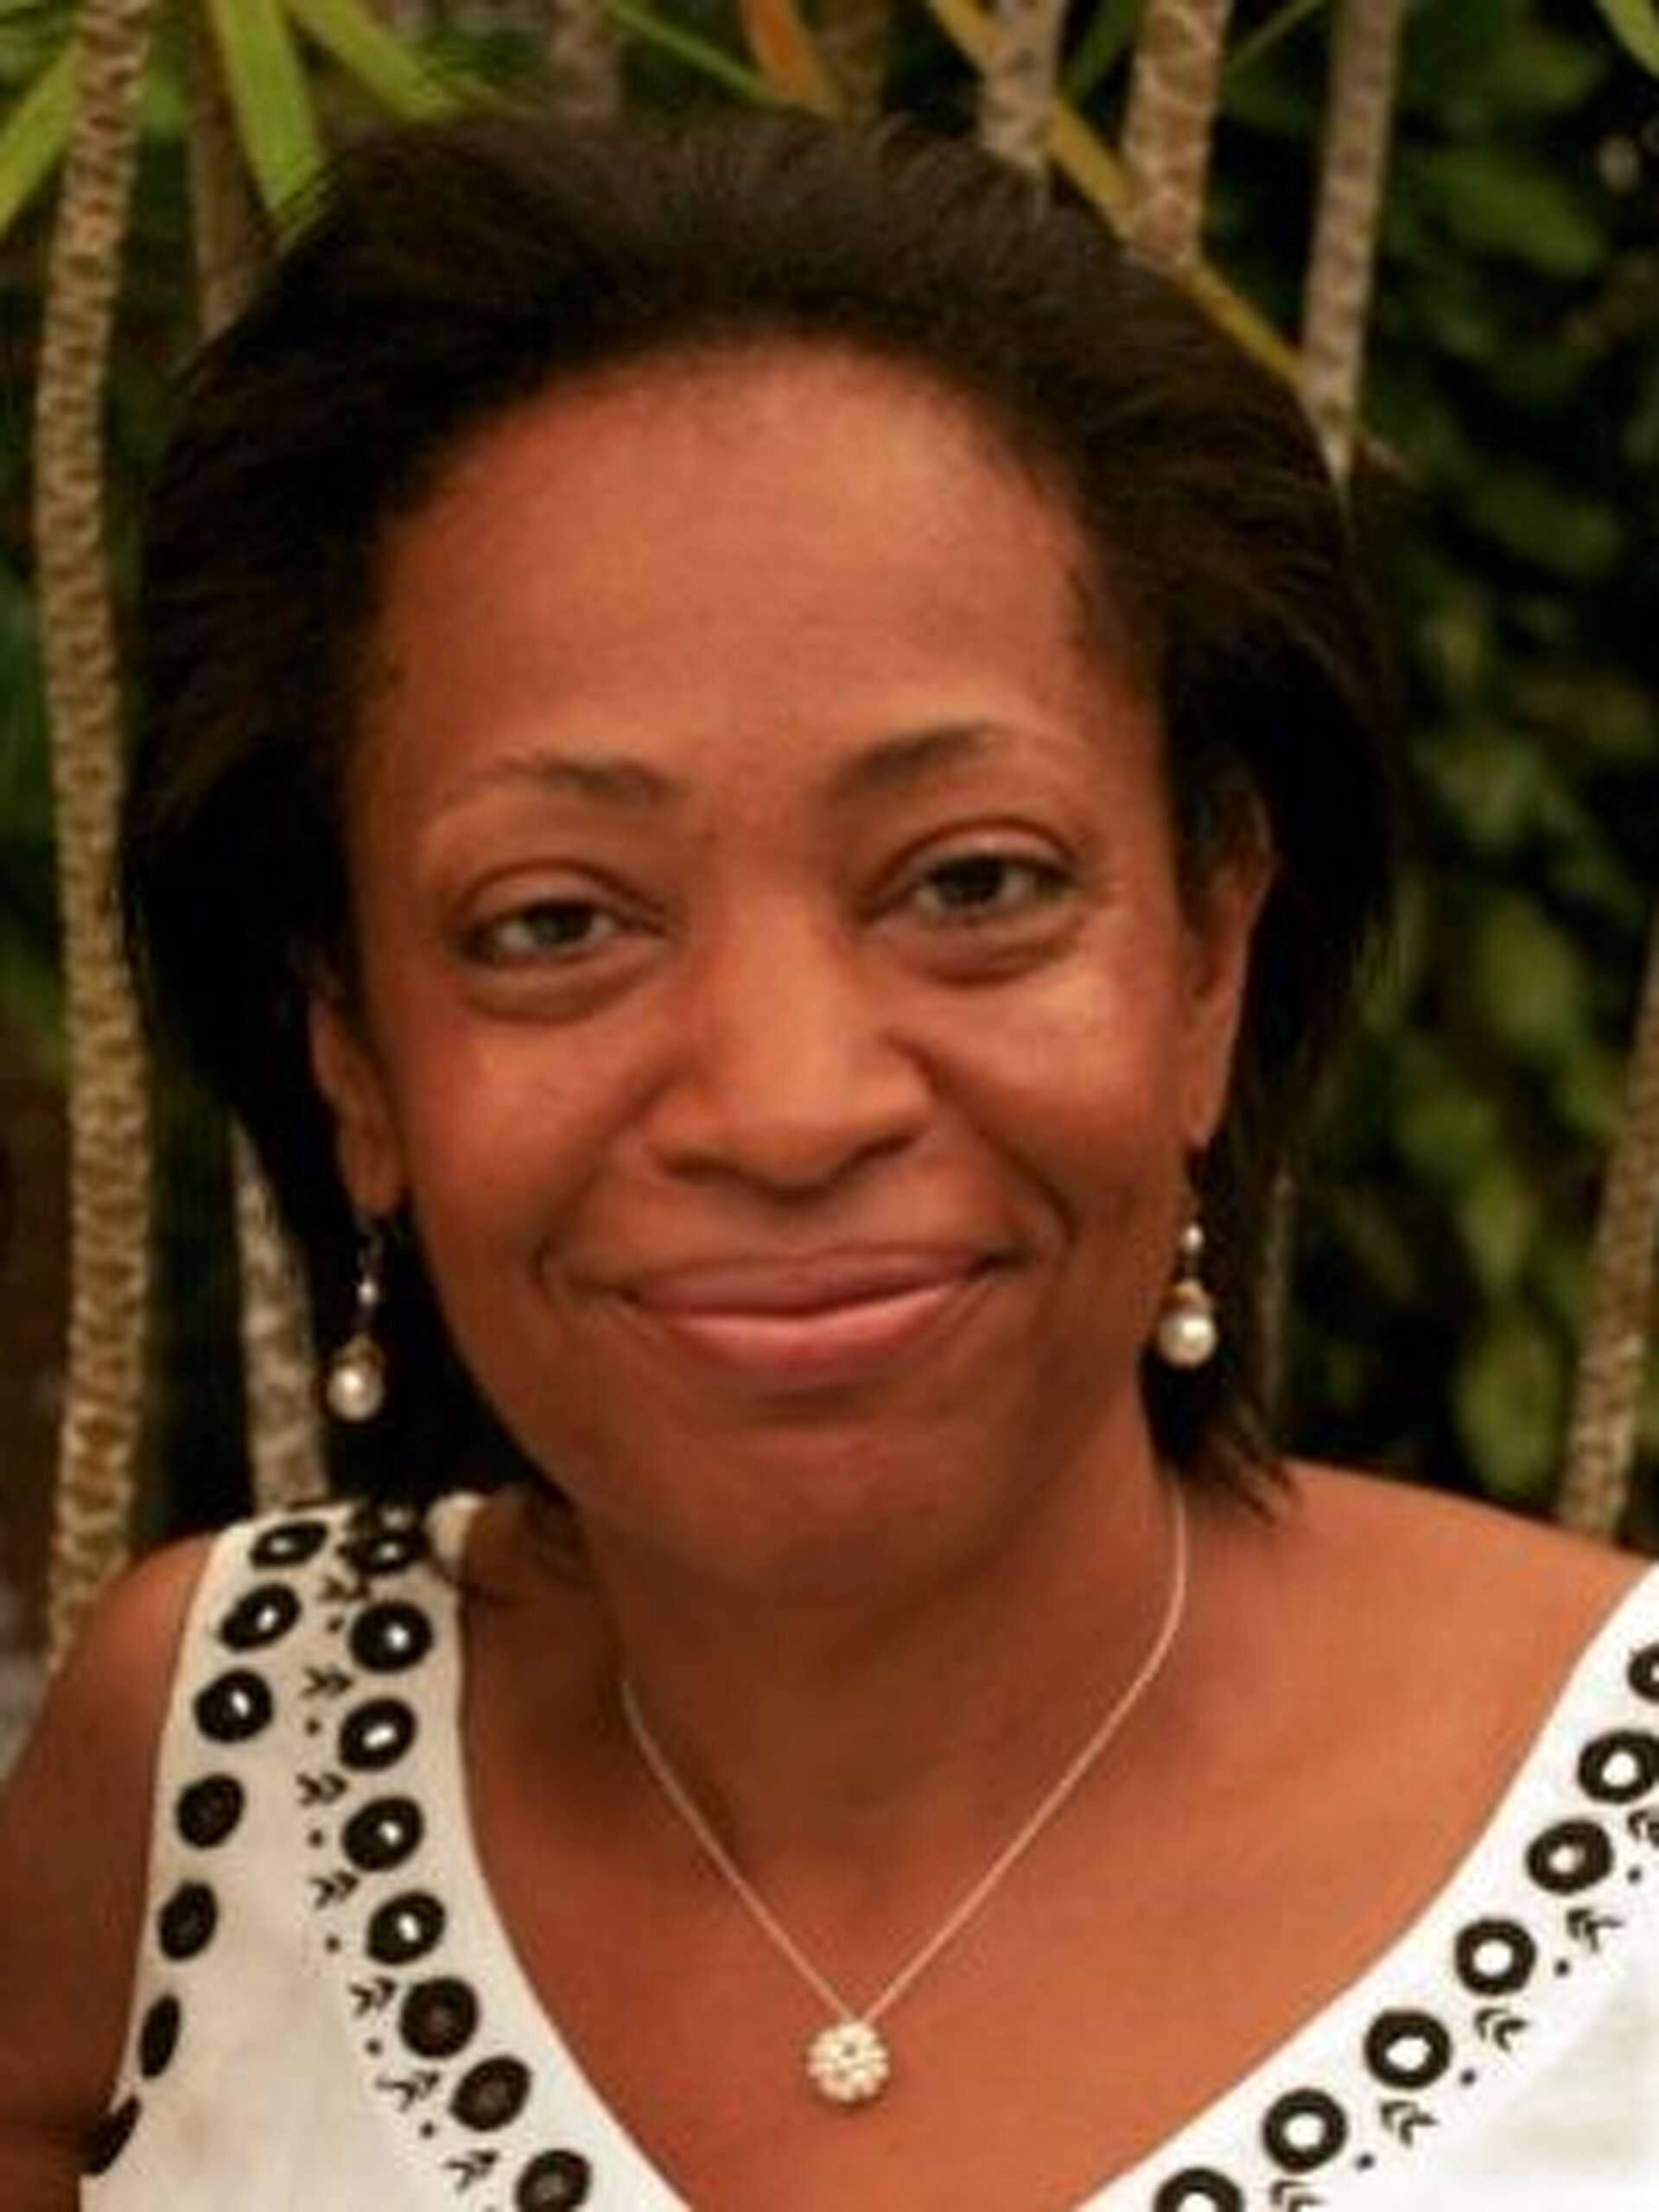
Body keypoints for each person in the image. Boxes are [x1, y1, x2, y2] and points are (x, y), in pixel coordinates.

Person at [0, 109, 1654, 2212]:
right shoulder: (201, 1770)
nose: (787, 1107)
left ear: (1210, 950)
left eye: (972, 881)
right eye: (555, 920)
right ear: (355, 1047)